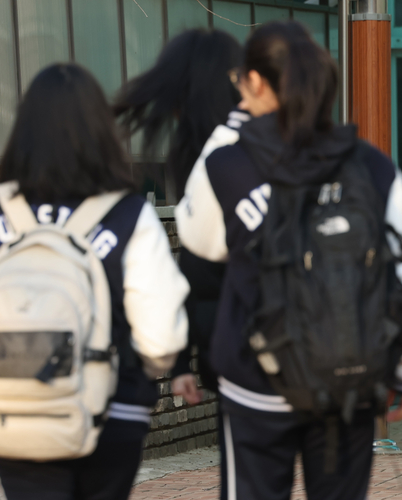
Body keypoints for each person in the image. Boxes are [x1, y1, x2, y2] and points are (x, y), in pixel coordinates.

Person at [175, 21, 402, 500]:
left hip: (255, 382)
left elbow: (200, 241)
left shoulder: (227, 163)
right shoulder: (373, 165)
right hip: (349, 379)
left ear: (255, 82)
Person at [0, 63, 190, 500]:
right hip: (112, 410)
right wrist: (151, 371)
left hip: (15, 414)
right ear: (101, 131)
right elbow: (161, 337)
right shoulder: (128, 215)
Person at [115, 29, 243, 403]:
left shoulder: (220, 161)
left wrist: (183, 359)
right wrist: (185, 362)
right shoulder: (222, 151)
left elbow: (196, 267)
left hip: (243, 358)